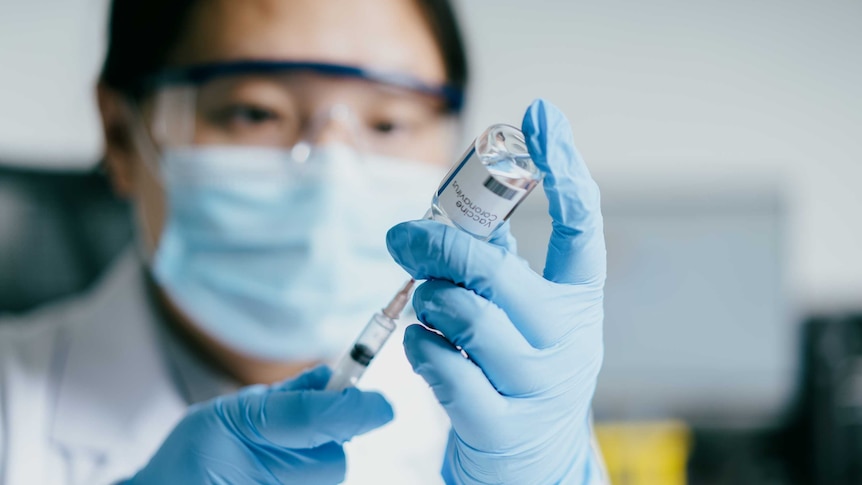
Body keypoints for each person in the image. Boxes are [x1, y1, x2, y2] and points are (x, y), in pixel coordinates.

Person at [0, 0, 607, 483]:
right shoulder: (13, 415)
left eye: (388, 122)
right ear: (120, 134)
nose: (333, 171)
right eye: (254, 113)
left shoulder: (505, 438)